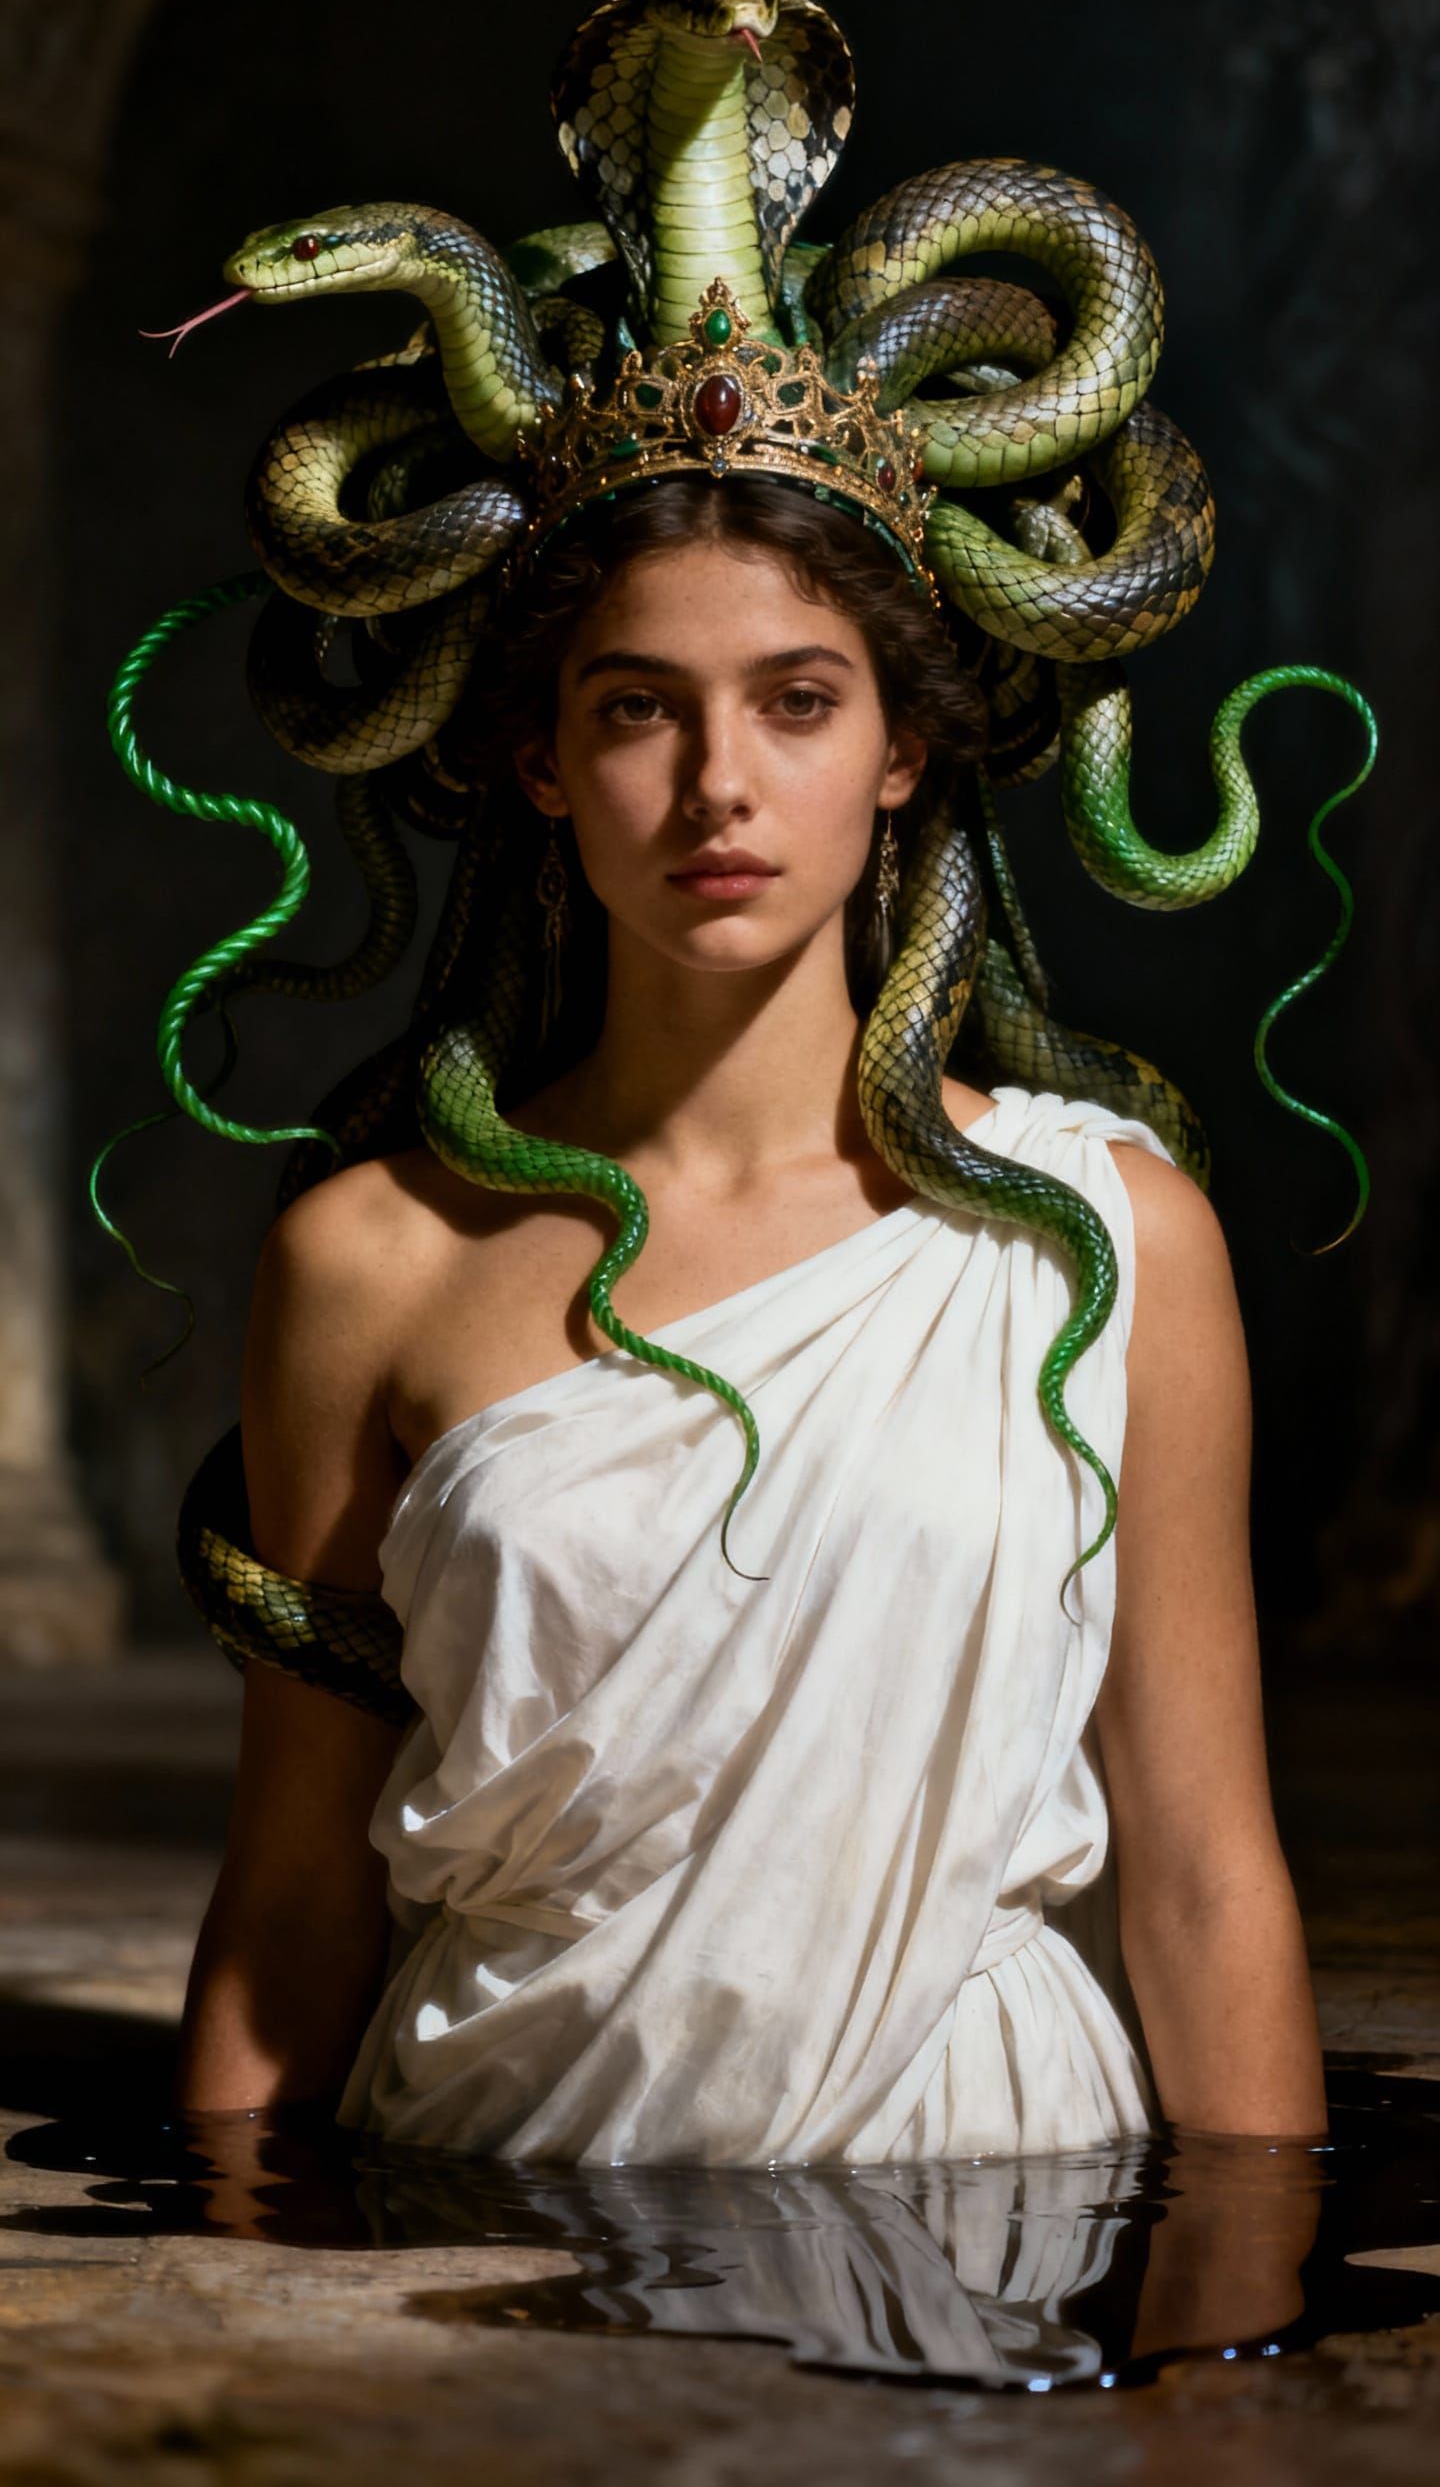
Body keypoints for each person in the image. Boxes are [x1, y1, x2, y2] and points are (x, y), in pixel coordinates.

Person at [171, 459, 1329, 2162]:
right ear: (541, 763)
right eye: (639, 709)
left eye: (800, 701)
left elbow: (1206, 1864)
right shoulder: (378, 1259)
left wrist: (1249, 2357)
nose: (720, 785)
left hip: (980, 2206)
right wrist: (223, 2299)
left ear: (902, 753)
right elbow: (292, 1894)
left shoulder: (1108, 1237)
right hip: (493, 2214)